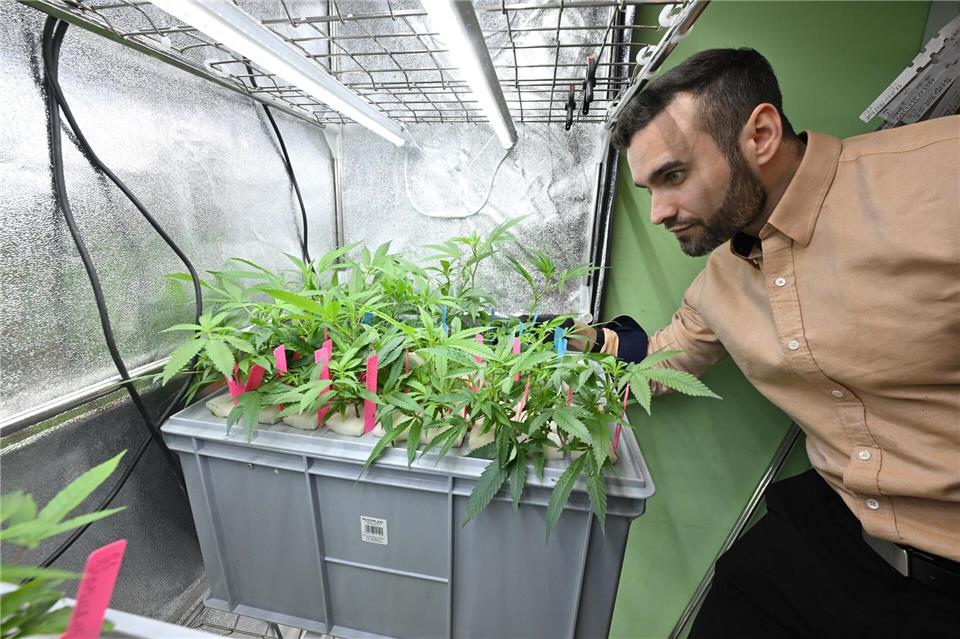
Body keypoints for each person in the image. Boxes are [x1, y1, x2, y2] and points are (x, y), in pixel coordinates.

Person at [571, 48, 959, 637]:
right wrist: (551, 343)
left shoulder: (937, 177)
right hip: (840, 525)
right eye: (649, 188)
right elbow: (657, 361)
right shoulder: (722, 280)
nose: (658, 213)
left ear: (761, 134)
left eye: (673, 176)